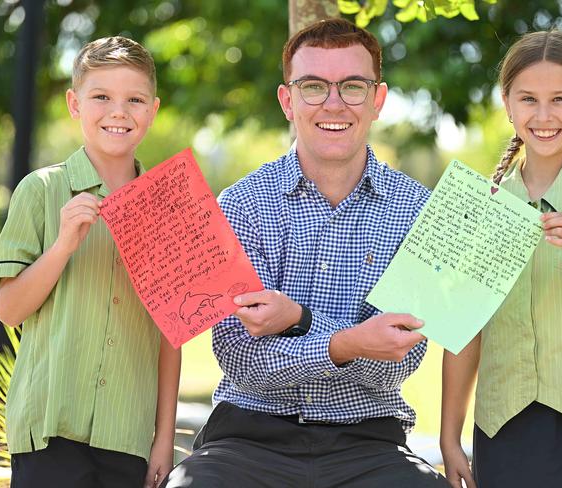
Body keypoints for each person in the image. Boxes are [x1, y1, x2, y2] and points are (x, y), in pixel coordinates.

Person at [162, 18, 449, 488]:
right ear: (287, 100)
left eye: (353, 86)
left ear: (378, 100)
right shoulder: (241, 205)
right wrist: (347, 342)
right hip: (245, 438)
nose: (334, 103)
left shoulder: (417, 212)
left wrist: (299, 321)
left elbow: (396, 364)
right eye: (313, 86)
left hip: (370, 443)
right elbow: (239, 358)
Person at [0, 36, 181, 488]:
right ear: (75, 104)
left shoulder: (169, 209)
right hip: (49, 426)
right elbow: (9, 310)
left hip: (127, 434)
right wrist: (62, 247)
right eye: (101, 97)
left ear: (152, 110)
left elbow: (172, 332)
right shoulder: (41, 190)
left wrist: (163, 438)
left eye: (134, 99)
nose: (119, 112)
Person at [440, 30, 562, 488]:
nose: (543, 116)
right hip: (504, 433)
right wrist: (450, 438)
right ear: (507, 104)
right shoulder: (480, 209)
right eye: (528, 99)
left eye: (561, 99)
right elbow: (463, 331)